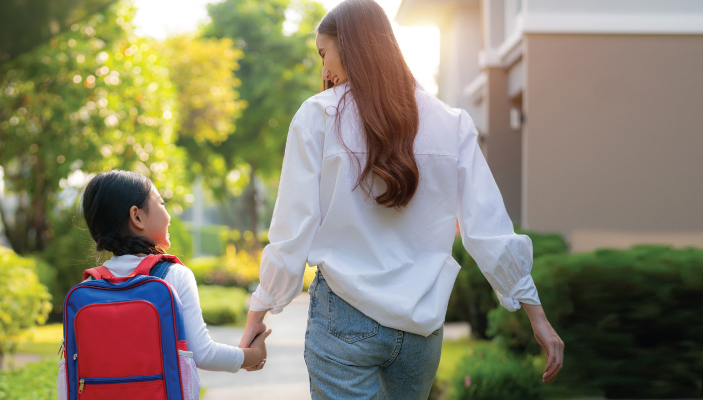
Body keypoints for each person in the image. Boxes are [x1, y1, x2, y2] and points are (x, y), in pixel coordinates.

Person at [236, 0, 565, 398]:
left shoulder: (317, 116)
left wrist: (260, 310)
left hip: (344, 315)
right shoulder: (451, 122)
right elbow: (489, 229)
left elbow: (293, 228)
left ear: (352, 45)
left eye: (325, 54)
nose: (324, 70)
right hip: (420, 329)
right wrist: (538, 318)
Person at [56, 170, 272, 399]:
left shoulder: (89, 285)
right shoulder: (173, 275)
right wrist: (252, 355)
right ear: (137, 217)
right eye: (161, 203)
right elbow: (203, 353)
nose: (168, 216)